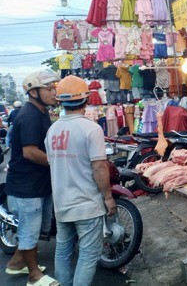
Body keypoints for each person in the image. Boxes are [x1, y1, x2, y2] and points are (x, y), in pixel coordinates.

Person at [44, 75, 116, 286]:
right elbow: (99, 166)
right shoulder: (90, 128)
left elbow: (53, 163)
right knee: (87, 255)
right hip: (86, 205)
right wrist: (108, 197)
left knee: (63, 251)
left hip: (62, 204)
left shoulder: (52, 130)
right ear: (86, 99)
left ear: (61, 101)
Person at [4, 70, 60, 286]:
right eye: (49, 89)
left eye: (54, 88)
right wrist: (58, 163)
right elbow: (30, 152)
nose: (54, 92)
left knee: (35, 228)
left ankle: (18, 263)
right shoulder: (28, 115)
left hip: (38, 182)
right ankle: (34, 275)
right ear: (33, 91)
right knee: (29, 229)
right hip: (26, 185)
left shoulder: (41, 112)